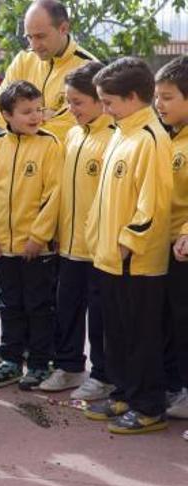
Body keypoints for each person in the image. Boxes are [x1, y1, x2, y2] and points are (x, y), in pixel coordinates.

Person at [83, 58, 173, 435]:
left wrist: (127, 241)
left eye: (109, 102)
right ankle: (124, 393)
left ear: (134, 97)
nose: (105, 109)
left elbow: (153, 203)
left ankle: (149, 405)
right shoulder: (121, 132)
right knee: (116, 334)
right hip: (108, 259)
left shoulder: (152, 138)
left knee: (141, 337)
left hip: (135, 261)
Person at [38, 62, 115, 399]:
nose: (71, 109)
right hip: (68, 245)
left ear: (100, 100)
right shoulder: (71, 135)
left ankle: (103, 375)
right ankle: (68, 367)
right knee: (66, 307)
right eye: (68, 102)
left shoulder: (114, 137)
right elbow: (59, 190)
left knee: (100, 316)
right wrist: (50, 230)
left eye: (78, 102)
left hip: (99, 248)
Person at [0, 81, 61, 390]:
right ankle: (11, 360)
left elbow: (54, 195)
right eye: (26, 111)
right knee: (9, 304)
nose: (35, 116)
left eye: (38, 109)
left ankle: (40, 363)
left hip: (37, 249)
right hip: (4, 248)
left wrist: (39, 237)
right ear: (6, 115)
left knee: (40, 307)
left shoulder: (50, 145)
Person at [0, 1, 96, 146]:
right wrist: (47, 116)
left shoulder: (88, 68)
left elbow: (70, 127)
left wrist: (21, 119)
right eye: (29, 37)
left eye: (40, 36)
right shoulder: (23, 60)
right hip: (21, 160)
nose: (34, 45)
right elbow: (0, 108)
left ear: (63, 28)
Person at [154, 56, 188, 424]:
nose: (158, 105)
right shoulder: (167, 137)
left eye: (167, 97)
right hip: (163, 246)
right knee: (167, 320)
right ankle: (174, 384)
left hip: (183, 248)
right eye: (156, 97)